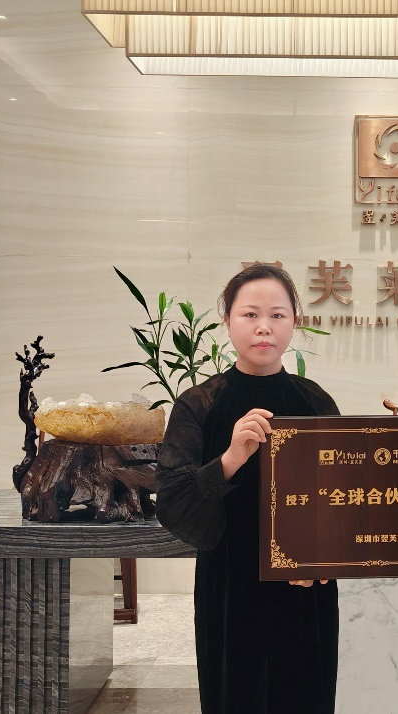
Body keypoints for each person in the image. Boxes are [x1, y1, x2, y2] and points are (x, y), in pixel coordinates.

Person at [155, 264, 340, 714]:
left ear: (294, 322)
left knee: (305, 695)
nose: (264, 327)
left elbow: (340, 496)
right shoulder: (198, 403)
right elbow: (173, 500)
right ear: (227, 322)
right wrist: (231, 458)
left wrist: (323, 558)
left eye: (277, 315)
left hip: (304, 587)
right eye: (250, 314)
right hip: (230, 585)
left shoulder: (315, 400)